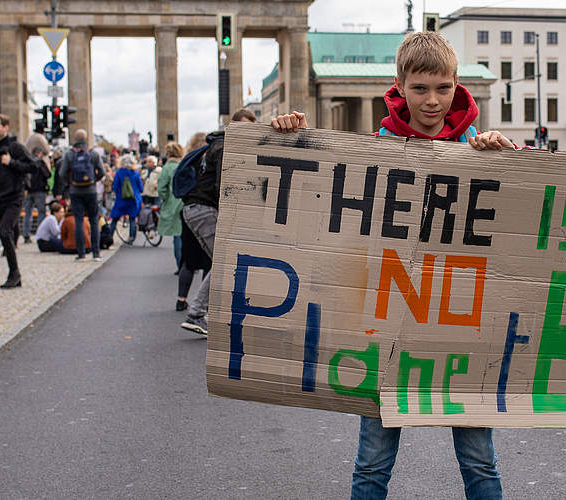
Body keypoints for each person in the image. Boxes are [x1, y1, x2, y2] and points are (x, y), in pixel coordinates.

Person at [271, 30, 514, 500]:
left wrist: (507, 158)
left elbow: (520, 222)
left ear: (456, 84)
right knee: (373, 458)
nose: (433, 99)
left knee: (480, 460)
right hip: (389, 322)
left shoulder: (478, 147)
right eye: (420, 88)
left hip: (462, 323)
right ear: (399, 86)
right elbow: (319, 201)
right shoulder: (376, 149)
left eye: (443, 88)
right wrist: (285, 138)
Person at [178, 109, 258, 336]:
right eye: (243, 128)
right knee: (226, 262)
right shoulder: (224, 146)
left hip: (195, 210)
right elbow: (225, 186)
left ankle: (208, 312)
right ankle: (196, 314)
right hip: (204, 210)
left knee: (221, 263)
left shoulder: (217, 143)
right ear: (232, 125)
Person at [0, 113, 39, 288]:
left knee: (6, 232)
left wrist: (12, 162)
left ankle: (14, 273)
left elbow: (33, 166)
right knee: (4, 232)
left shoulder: (15, 147)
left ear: (6, 127)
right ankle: (14, 273)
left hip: (14, 196)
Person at [58, 129, 106, 261]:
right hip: (91, 190)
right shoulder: (93, 154)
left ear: (74, 139)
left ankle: (81, 253)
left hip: (75, 191)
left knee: (78, 220)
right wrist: (93, 181)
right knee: (94, 220)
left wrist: (71, 183)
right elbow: (102, 171)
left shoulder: (69, 155)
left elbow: (62, 173)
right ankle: (96, 253)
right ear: (86, 139)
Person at [157, 142, 186, 272]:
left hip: (173, 203)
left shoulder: (167, 168)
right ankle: (190, 264)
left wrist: (165, 199)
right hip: (187, 202)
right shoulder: (185, 164)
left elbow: (162, 188)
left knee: (177, 236)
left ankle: (181, 265)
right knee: (188, 235)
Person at [22, 133, 52, 244]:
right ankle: (40, 233)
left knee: (27, 213)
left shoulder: (28, 163)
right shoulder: (41, 163)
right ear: (39, 153)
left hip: (29, 190)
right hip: (40, 190)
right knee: (41, 213)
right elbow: (48, 175)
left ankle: (26, 235)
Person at [110, 154, 142, 243]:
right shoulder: (135, 173)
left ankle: (109, 237)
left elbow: (115, 186)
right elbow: (140, 187)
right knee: (132, 219)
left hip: (121, 199)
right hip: (134, 199)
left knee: (115, 218)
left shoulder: (119, 172)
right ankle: (131, 238)